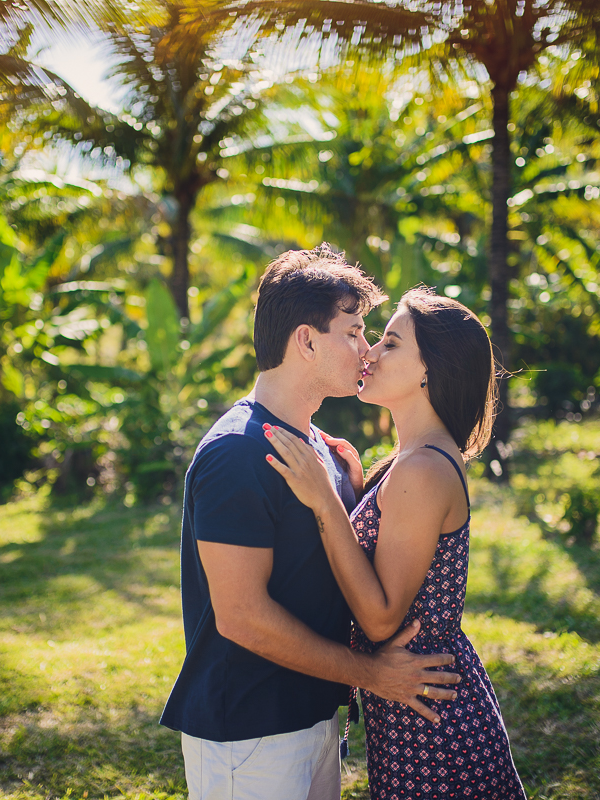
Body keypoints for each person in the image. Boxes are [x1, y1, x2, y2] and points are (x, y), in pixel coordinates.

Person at [160, 248, 462, 800]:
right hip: (251, 737)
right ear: (306, 341)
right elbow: (243, 619)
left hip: (315, 720)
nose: (367, 349)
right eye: (354, 332)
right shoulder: (238, 453)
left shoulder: (319, 450)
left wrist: (353, 488)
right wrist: (374, 677)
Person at [263, 287, 527, 799]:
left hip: (430, 723)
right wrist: (359, 492)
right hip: (417, 704)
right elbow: (391, 552)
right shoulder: (416, 459)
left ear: (430, 369)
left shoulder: (423, 469)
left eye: (390, 343)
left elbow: (381, 617)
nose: (370, 353)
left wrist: (326, 501)